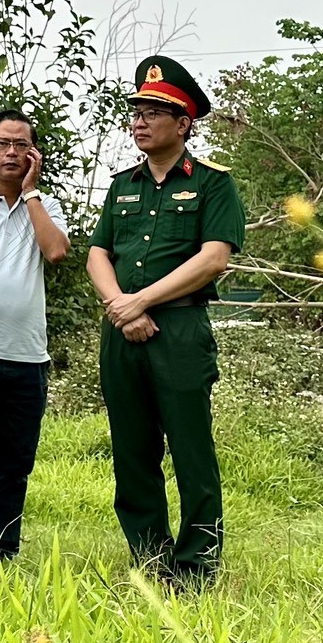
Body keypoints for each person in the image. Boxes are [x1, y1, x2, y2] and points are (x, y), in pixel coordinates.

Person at [85, 55, 247, 585]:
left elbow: (214, 257)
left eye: (155, 111)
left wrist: (142, 301)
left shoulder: (212, 184)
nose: (141, 120)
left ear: (184, 123)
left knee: (190, 447)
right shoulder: (122, 184)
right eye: (137, 110)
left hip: (179, 331)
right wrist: (120, 306)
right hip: (122, 333)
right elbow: (97, 254)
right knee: (132, 449)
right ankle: (150, 558)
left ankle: (197, 564)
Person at [0, 108, 70, 558]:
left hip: (26, 357)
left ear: (34, 155)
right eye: (3, 143)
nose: (11, 152)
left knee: (13, 464)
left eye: (22, 145)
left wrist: (31, 196)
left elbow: (57, 251)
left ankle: (4, 550)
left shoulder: (44, 204)